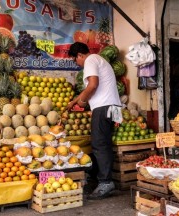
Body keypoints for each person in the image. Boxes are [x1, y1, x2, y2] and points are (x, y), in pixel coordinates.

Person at [66, 42, 121, 200]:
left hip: (103, 107)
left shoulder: (90, 60)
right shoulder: (99, 60)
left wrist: (83, 100)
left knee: (99, 144)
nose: (77, 64)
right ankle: (100, 179)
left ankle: (105, 183)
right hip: (111, 107)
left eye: (76, 60)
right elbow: (91, 86)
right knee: (103, 143)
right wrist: (74, 101)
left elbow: (93, 85)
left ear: (79, 55)